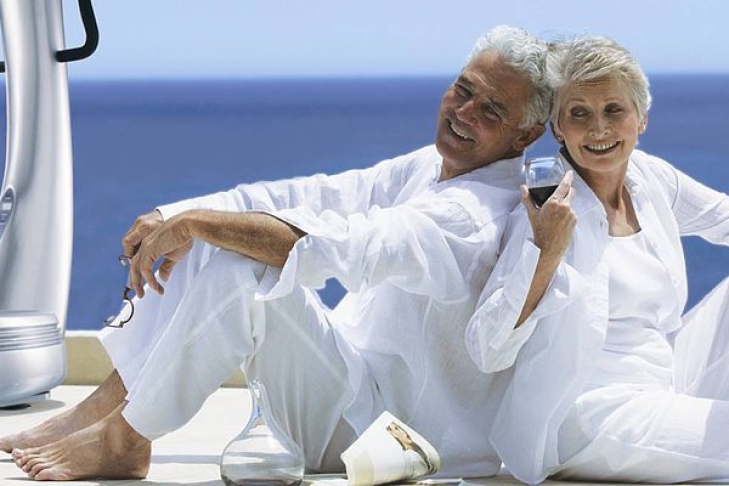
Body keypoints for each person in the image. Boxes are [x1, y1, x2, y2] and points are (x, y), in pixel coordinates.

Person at [1, 25, 552, 481]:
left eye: (491, 110)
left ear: (525, 136)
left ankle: (125, 438)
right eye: (463, 90)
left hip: (388, 436)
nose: (464, 112)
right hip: (351, 390)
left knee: (237, 257)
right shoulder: (431, 168)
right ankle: (100, 410)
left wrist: (199, 224)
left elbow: (342, 246)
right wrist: (178, 214)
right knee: (220, 236)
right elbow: (311, 196)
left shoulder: (476, 214)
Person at [466, 34, 729, 485]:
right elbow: (486, 349)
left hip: (665, 381)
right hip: (587, 416)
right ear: (558, 129)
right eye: (579, 114)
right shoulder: (546, 207)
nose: (598, 130)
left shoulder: (651, 178)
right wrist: (546, 252)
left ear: (641, 119)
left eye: (613, 110)